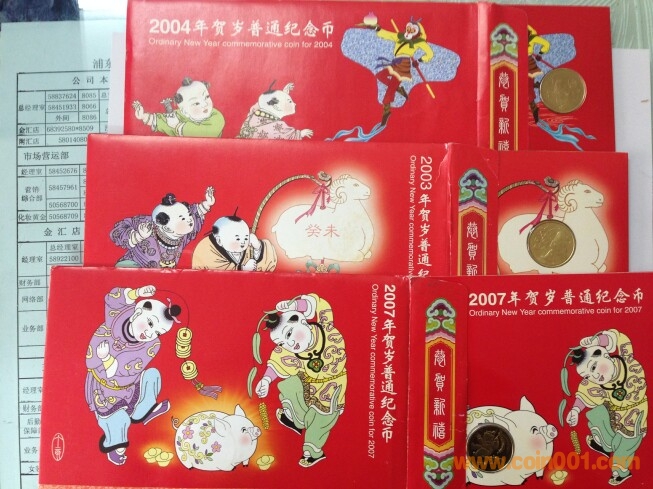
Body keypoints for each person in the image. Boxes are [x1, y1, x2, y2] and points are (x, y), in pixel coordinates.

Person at [85, 285, 183, 465]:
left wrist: (107, 358)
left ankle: (143, 412)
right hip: (104, 389)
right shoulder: (117, 318)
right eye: (151, 324)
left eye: (157, 332)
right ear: (137, 312)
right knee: (119, 419)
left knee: (152, 375)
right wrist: (136, 293)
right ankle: (116, 448)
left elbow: (124, 370)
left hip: (127, 382)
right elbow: (112, 298)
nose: (150, 333)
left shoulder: (151, 345)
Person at [255, 293, 347, 467]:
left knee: (320, 420)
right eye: (282, 342)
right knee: (291, 384)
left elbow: (320, 304)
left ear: (303, 321)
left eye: (289, 334)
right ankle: (295, 419)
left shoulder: (326, 329)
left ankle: (312, 452)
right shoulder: (292, 352)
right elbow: (277, 362)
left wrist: (296, 306)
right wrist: (266, 380)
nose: (289, 344)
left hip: (332, 388)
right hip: (310, 384)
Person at [565, 329, 647, 486]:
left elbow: (619, 339)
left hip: (635, 414)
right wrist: (575, 410)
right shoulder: (596, 383)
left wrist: (597, 341)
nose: (594, 376)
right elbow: (584, 394)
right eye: (587, 375)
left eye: (594, 367)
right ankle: (604, 444)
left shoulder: (627, 360)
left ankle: (621, 472)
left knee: (626, 445)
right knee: (597, 413)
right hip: (615, 413)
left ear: (606, 355)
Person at [111, 187, 214, 268]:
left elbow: (195, 214)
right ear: (166, 228)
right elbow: (117, 230)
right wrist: (138, 236)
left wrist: (207, 204)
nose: (189, 220)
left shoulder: (184, 234)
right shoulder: (147, 224)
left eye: (189, 215)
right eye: (182, 218)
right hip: (135, 265)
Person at [371, 17, 433, 125]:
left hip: (403, 64)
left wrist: (420, 60)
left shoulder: (419, 42)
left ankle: (386, 110)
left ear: (417, 32)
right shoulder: (400, 36)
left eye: (412, 30)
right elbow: (387, 34)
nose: (409, 31)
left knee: (390, 88)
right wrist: (378, 29)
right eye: (408, 28)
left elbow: (430, 53)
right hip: (395, 62)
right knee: (380, 76)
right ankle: (399, 89)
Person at [132, 77, 225, 137]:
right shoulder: (179, 116)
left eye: (207, 97)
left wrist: (176, 125)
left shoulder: (216, 117)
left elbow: (207, 132)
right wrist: (143, 116)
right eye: (196, 103)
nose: (205, 104)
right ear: (184, 111)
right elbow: (163, 122)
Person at [192, 214, 277, 271]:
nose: (243, 242)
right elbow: (215, 273)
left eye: (246, 237)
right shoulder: (206, 248)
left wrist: (258, 247)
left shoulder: (249, 246)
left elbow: (268, 265)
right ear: (219, 240)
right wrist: (243, 268)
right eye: (238, 238)